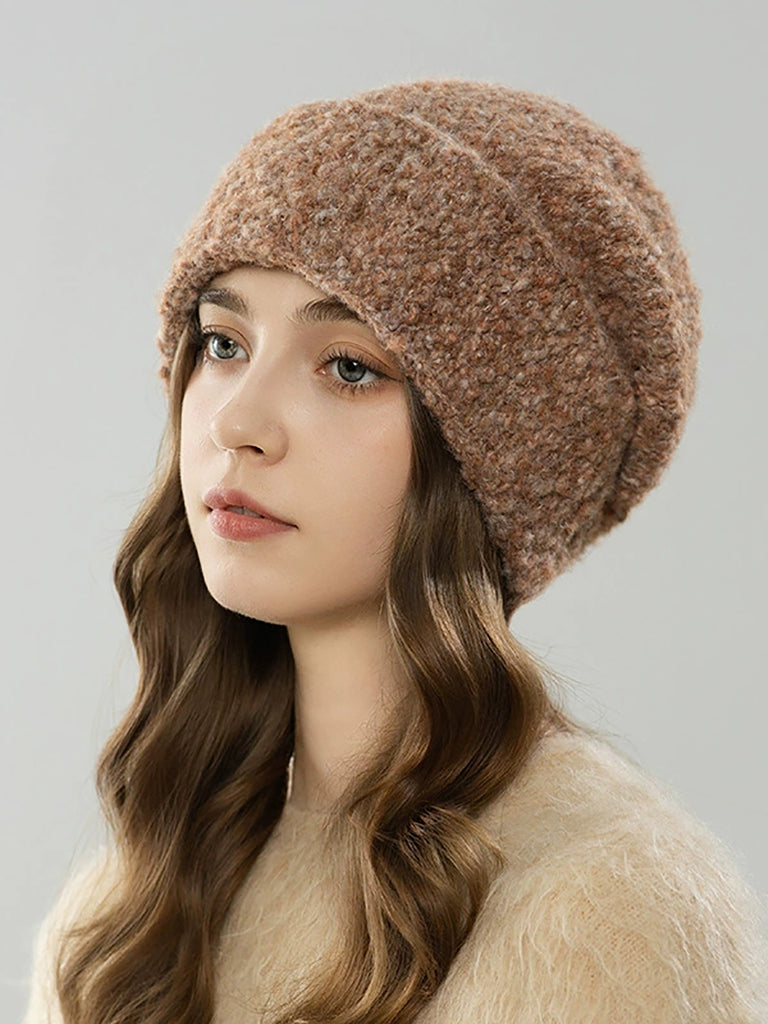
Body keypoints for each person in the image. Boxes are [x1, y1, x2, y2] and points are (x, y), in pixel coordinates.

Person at [22, 78, 768, 1024]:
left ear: (491, 464)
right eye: (222, 343)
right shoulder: (125, 913)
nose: (237, 423)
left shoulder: (601, 912)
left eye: (349, 367)